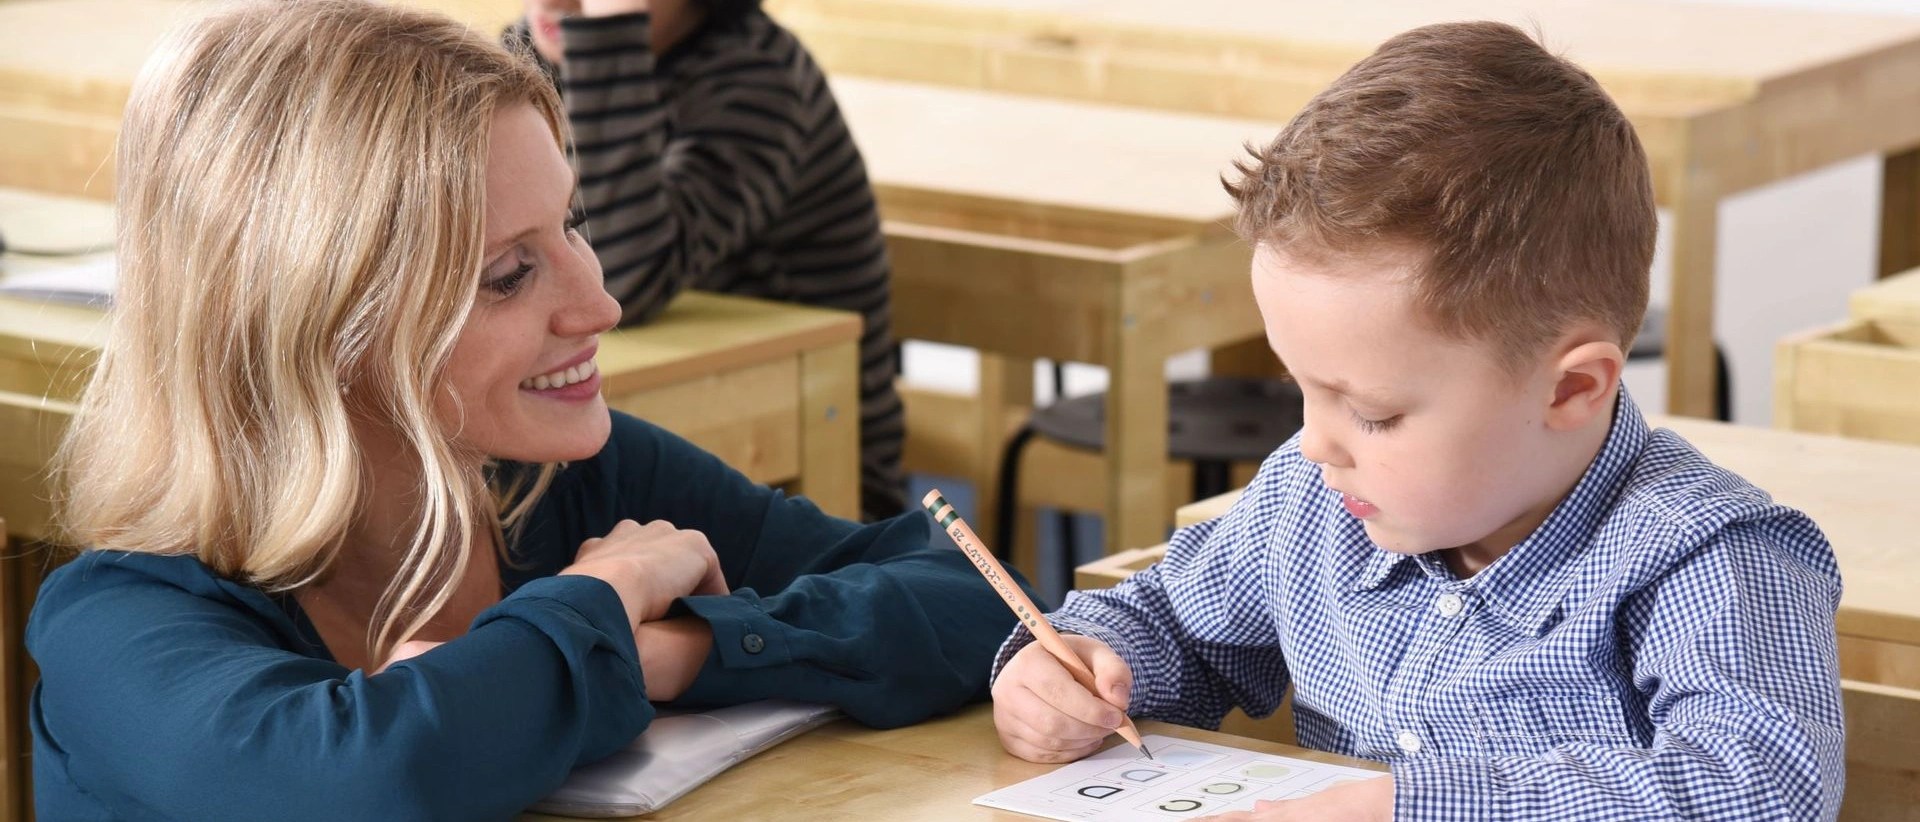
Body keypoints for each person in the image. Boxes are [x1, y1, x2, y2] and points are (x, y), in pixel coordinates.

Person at [27, 2, 1027, 819]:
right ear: (322, 326)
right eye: (508, 274)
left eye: (573, 225)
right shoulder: (118, 626)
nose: (600, 305)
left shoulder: (572, 481)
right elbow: (381, 776)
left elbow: (978, 596)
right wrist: (601, 599)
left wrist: (684, 651)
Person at [988, 21, 1844, 822]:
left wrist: (1407, 804)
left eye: (1374, 413)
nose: (1315, 442)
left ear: (1570, 391)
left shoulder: (1706, 554)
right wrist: (1079, 668)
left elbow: (1758, 786)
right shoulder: (1317, 499)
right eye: (1300, 389)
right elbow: (1176, 623)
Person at [515, 0, 908, 521]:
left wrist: (606, 35)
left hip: (806, 478)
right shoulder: (533, 58)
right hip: (647, 440)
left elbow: (623, 280)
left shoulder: (756, 75)